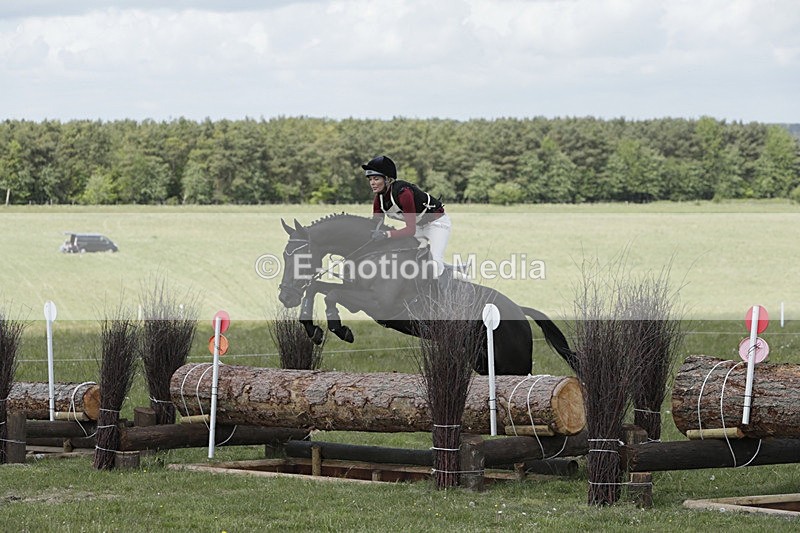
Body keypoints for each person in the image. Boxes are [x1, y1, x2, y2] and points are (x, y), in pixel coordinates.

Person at [362, 155, 452, 280]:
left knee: (434, 264)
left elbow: (410, 230)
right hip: (419, 227)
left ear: (388, 179)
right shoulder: (379, 198)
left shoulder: (404, 193)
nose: (372, 183)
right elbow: (376, 225)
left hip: (436, 224)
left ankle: (443, 295)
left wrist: (386, 234)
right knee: (402, 256)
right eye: (370, 179)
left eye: (376, 179)